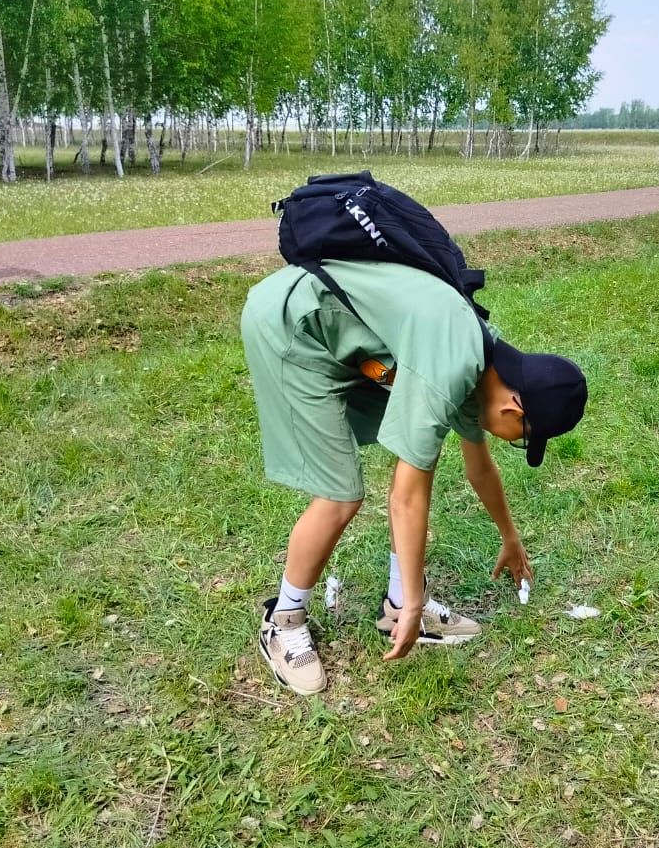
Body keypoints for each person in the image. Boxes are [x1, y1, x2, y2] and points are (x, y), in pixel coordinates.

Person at [240, 257, 587, 696]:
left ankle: (398, 602)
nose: (513, 443)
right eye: (523, 439)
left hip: (332, 323)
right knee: (340, 495)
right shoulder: (452, 368)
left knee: (423, 450)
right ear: (513, 410)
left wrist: (510, 536)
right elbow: (406, 498)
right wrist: (417, 606)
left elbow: (478, 467)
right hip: (292, 324)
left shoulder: (488, 364)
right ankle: (283, 621)